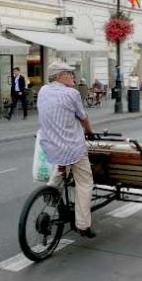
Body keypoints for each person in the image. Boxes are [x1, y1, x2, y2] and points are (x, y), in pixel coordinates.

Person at [38, 61, 96, 238]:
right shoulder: (72, 93)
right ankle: (83, 225)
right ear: (59, 76)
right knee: (85, 182)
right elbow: (83, 118)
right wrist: (89, 131)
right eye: (69, 73)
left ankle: (50, 193)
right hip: (72, 148)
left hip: (50, 146)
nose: (73, 76)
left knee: (62, 164)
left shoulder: (43, 91)